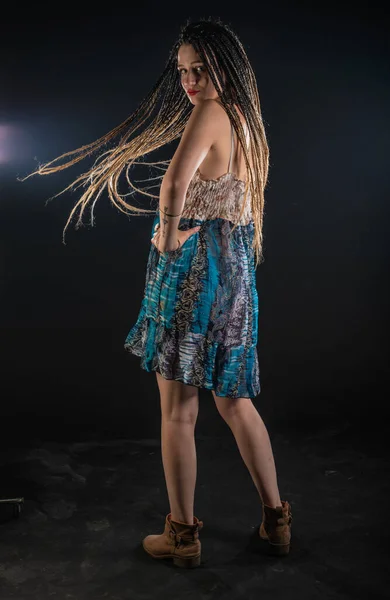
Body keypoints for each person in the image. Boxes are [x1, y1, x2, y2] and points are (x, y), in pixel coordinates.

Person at [21, 17, 292, 568]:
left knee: (178, 412)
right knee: (237, 403)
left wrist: (168, 238)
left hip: (194, 270)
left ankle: (183, 536)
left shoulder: (210, 113)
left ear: (226, 65)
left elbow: (173, 184)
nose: (191, 81)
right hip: (235, 271)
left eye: (201, 69)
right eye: (184, 72)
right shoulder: (246, 119)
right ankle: (277, 521)